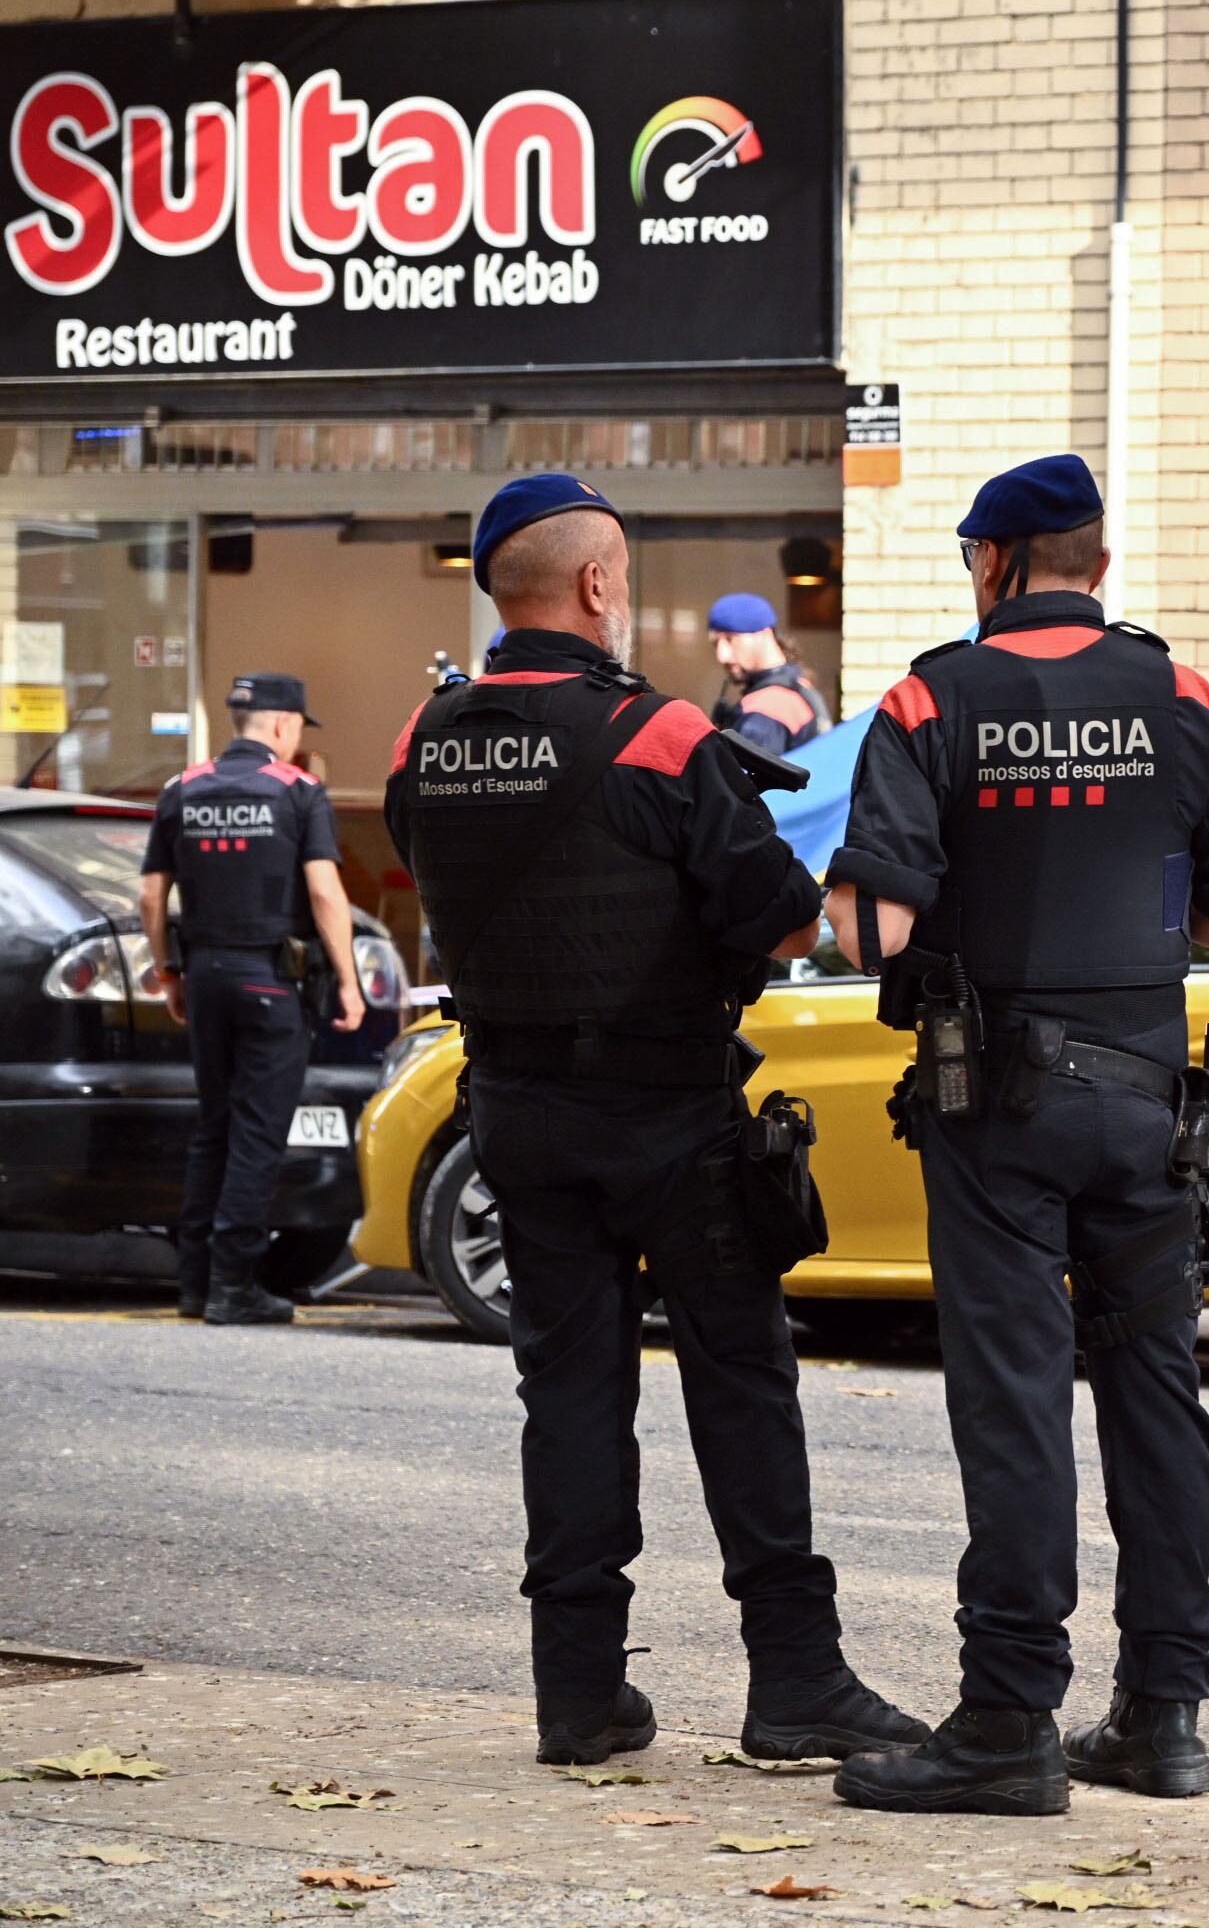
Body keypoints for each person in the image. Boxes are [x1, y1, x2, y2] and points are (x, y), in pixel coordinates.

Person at [386, 473, 924, 1770]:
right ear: (596, 583)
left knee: (568, 1393)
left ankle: (578, 1694)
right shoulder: (661, 733)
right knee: (740, 1380)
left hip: (514, 1110)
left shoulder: (423, 739)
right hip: (669, 1113)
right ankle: (795, 1679)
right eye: (620, 576)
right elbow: (784, 921)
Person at [823, 453, 1209, 1818]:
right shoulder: (1187, 697)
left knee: (1017, 1398)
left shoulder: (931, 700)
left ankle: (1008, 1720)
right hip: (1150, 1106)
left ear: (993, 562)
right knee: (1156, 1391)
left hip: (998, 1111)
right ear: (1098, 560)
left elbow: (872, 934)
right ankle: (1163, 1715)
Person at [139, 673, 365, 1325]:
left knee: (214, 1126)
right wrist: (348, 981)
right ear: (284, 724)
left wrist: (169, 972)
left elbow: (151, 895)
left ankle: (194, 1282)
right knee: (258, 1131)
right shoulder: (297, 791)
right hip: (268, 977)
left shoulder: (181, 788)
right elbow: (324, 894)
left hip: (205, 976)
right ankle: (233, 1285)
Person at [708, 592, 830, 758]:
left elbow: (746, 774)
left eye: (731, 639)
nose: (722, 656)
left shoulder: (766, 709)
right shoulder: (801, 684)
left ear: (765, 634)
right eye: (716, 644)